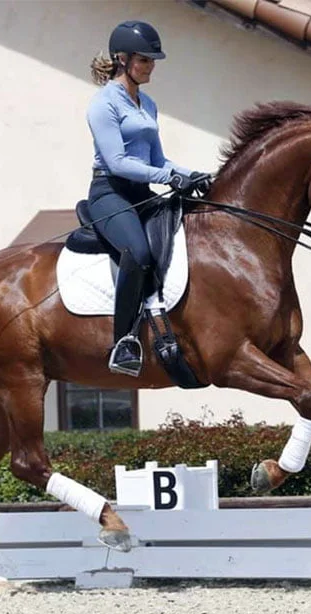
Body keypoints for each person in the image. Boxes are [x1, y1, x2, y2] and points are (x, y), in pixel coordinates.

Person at [86, 20, 210, 377]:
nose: (151, 66)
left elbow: (158, 161)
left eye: (153, 60)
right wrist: (167, 177)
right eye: (145, 60)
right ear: (122, 59)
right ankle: (124, 342)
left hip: (142, 193)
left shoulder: (148, 103)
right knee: (138, 254)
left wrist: (190, 175)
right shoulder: (103, 104)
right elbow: (119, 162)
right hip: (110, 193)